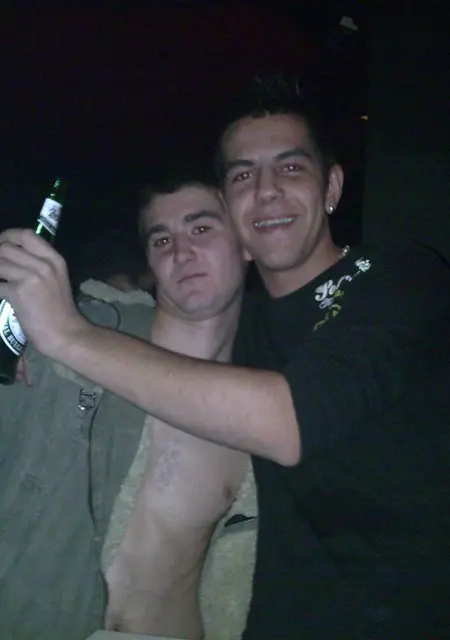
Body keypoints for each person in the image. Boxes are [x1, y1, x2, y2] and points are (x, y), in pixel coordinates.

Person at [1, 75, 450, 638]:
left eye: (290, 167)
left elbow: (286, 421)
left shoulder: (398, 277)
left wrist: (66, 332)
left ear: (332, 186)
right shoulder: (234, 335)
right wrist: (40, 332)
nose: (266, 191)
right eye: (242, 175)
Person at [0, 175, 256, 639]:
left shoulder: (262, 406)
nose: (182, 252)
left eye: (201, 228)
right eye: (162, 239)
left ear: (247, 246)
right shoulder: (75, 339)